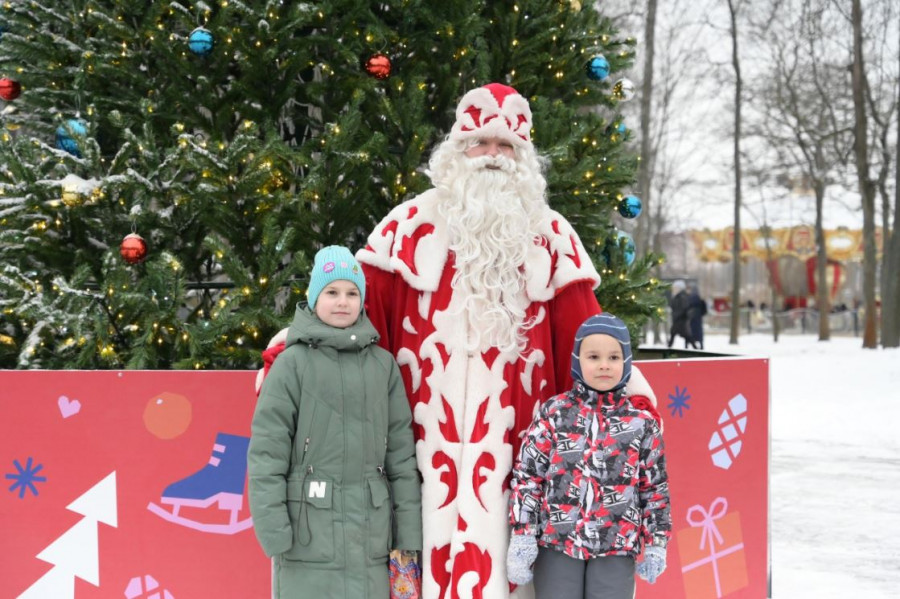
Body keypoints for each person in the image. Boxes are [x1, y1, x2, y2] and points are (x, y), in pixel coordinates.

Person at [257, 83, 656, 599]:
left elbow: (590, 340)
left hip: (517, 468)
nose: (493, 157)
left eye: (506, 146)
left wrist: (630, 398)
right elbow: (355, 316)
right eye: (480, 144)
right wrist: (294, 350)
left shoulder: (553, 241)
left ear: (524, 157)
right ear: (456, 152)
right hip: (413, 466)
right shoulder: (405, 230)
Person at [248, 246, 422, 599]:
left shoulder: (382, 366)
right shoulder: (292, 364)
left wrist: (407, 535)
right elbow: (267, 453)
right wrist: (273, 530)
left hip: (371, 539)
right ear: (314, 298)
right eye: (332, 292)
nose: (342, 301)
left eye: (351, 293)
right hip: (308, 538)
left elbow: (401, 457)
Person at [506, 313, 671, 599]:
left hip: (616, 545)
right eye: (593, 356)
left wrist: (656, 542)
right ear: (577, 360)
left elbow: (654, 488)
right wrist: (523, 534)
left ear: (626, 362)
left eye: (614, 357)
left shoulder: (641, 423)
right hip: (557, 543)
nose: (604, 365)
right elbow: (528, 476)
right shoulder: (554, 413)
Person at [667, 279, 696, 349]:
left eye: (675, 288)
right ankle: (669, 347)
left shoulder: (682, 297)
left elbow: (684, 308)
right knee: (674, 334)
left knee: (687, 336)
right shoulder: (676, 297)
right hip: (678, 320)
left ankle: (696, 349)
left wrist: (677, 315)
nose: (674, 289)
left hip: (681, 321)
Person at [687, 284, 707, 350]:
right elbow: (704, 310)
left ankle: (687, 345)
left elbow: (686, 309)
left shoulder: (689, 299)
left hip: (691, 318)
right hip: (698, 319)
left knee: (690, 331)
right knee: (699, 332)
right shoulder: (701, 300)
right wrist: (701, 314)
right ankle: (701, 345)